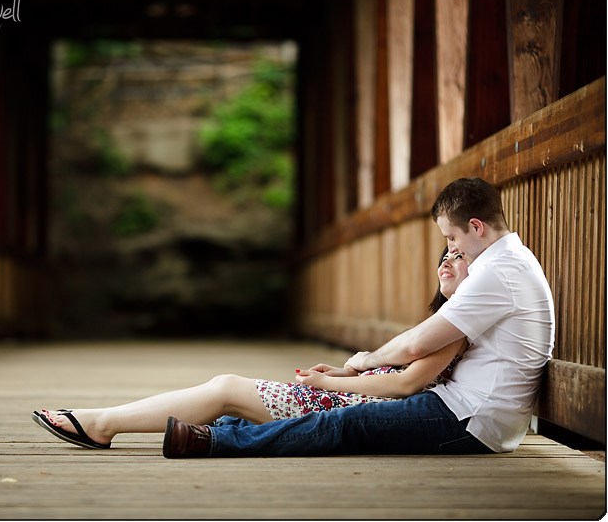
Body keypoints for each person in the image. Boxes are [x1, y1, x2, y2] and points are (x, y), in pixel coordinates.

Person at [162, 177, 555, 458]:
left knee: (345, 424)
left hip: (471, 420)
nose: (451, 250)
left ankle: (212, 442)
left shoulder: (496, 272)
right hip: (465, 407)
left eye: (451, 239)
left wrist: (364, 361)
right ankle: (217, 431)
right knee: (343, 415)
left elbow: (417, 344)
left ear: (476, 226)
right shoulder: (508, 263)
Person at [32, 247, 469, 450]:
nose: (447, 261)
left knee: (226, 389)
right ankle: (104, 421)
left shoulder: (457, 327)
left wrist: (325, 384)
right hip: (341, 393)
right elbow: (396, 377)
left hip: (341, 406)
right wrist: (342, 374)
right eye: (444, 255)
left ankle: (101, 423)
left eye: (460, 256)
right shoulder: (441, 322)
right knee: (225, 396)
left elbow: (408, 385)